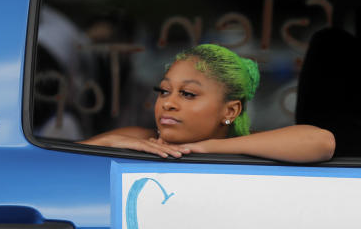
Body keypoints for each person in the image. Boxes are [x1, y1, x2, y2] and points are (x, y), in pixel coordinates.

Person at [79, 44, 335, 163]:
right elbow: (59, 163)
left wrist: (208, 147)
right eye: (164, 91)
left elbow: (322, 143)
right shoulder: (140, 139)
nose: (168, 103)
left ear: (230, 110)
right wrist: (109, 142)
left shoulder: (251, 146)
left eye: (188, 94)